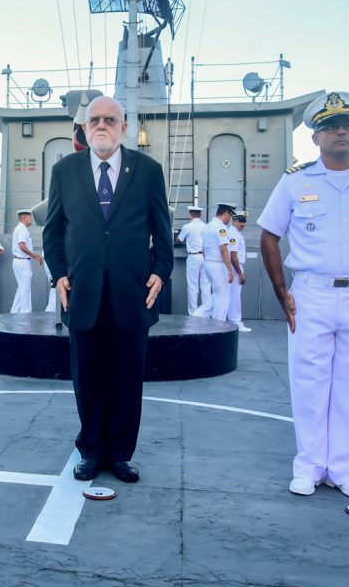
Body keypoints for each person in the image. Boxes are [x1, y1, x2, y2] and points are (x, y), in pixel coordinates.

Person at [259, 91, 349, 500]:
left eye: (346, 126)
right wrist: (281, 290)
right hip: (311, 293)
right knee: (309, 383)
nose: (340, 132)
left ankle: (344, 468)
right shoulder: (295, 181)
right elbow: (270, 235)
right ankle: (308, 466)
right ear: (315, 138)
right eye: (329, 127)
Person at [43, 95, 173, 484]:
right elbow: (53, 231)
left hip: (131, 293)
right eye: (94, 120)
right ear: (84, 128)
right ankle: (90, 449)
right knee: (87, 377)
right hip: (81, 291)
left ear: (123, 128)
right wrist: (59, 273)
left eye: (110, 120)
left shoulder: (148, 170)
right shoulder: (64, 170)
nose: (101, 125)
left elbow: (161, 229)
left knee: (127, 377)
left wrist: (161, 271)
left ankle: (119, 454)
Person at [194, 203, 236, 321]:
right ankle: (219, 324)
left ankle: (199, 314)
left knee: (217, 293)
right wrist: (229, 270)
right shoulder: (221, 228)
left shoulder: (207, 227)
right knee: (222, 297)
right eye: (231, 216)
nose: (230, 219)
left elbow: (203, 249)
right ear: (226, 213)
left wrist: (208, 262)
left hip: (208, 263)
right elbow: (223, 249)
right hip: (218, 264)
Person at [177, 205, 210, 316]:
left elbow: (179, 240)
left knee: (193, 285)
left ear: (190, 214)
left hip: (193, 257)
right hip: (205, 257)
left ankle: (193, 312)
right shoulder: (206, 226)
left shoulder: (187, 227)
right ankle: (206, 313)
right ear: (200, 215)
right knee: (205, 285)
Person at [11, 209, 43, 312]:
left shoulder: (18, 228)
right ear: (25, 217)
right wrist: (35, 256)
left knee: (21, 289)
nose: (31, 220)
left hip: (18, 261)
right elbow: (22, 246)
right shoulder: (22, 229)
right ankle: (26, 314)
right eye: (30, 217)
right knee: (25, 289)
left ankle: (14, 312)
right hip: (23, 262)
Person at [227, 211, 252, 332]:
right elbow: (233, 255)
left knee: (228, 295)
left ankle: (202, 313)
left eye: (244, 221)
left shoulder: (234, 232)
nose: (243, 224)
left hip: (235, 266)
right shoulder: (233, 233)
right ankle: (236, 321)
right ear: (234, 220)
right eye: (240, 221)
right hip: (235, 267)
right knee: (235, 296)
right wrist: (240, 273)